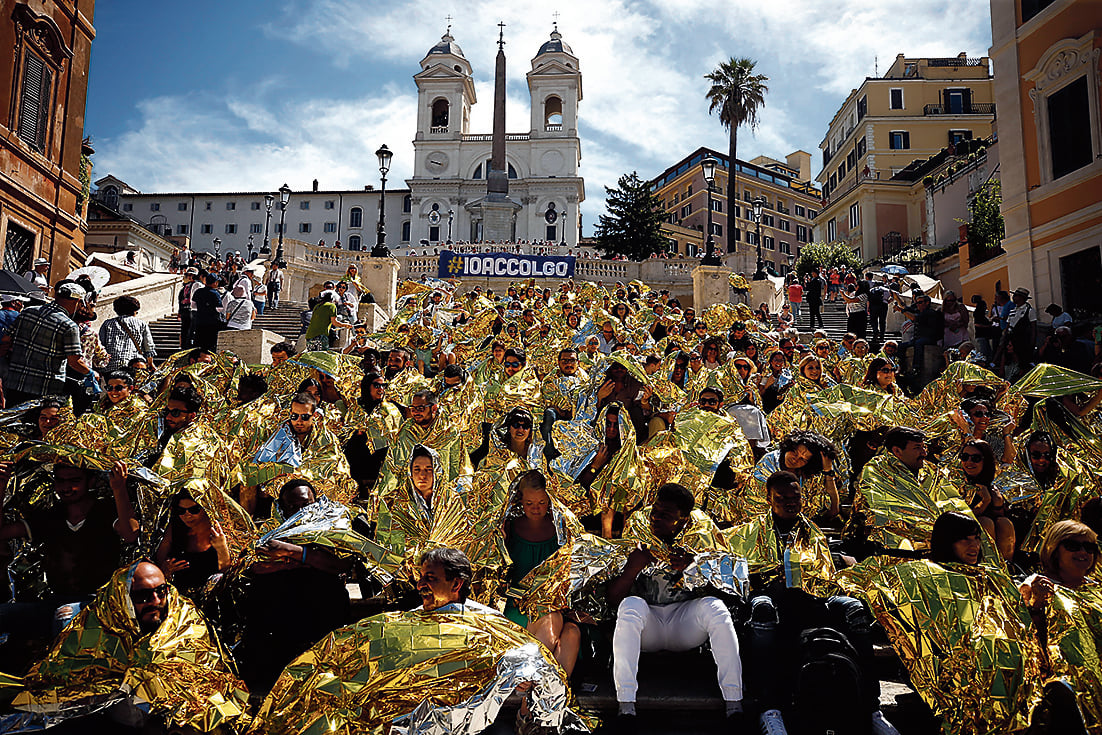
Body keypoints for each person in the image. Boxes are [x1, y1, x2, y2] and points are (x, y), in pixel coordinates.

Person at [731, 471, 899, 735]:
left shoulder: (812, 531)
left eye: (795, 497)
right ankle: (769, 709)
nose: (790, 503)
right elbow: (745, 577)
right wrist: (776, 578)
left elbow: (826, 576)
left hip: (813, 596)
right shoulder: (749, 533)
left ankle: (871, 709)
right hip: (771, 595)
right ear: (768, 498)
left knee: (854, 609)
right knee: (761, 609)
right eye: (781, 497)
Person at [607, 483, 744, 727]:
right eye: (655, 511)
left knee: (716, 608)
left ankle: (734, 705)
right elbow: (613, 600)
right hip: (648, 624)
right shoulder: (637, 528)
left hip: (685, 624)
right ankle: (626, 708)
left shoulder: (702, 533)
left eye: (666, 515)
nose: (656, 518)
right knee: (630, 606)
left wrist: (696, 566)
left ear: (683, 520)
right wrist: (632, 570)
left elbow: (730, 592)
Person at [4, 282, 91, 406]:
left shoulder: (27, 312)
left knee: (12, 422)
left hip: (15, 382)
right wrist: (90, 373)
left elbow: (6, 341)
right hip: (45, 388)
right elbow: (74, 361)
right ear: (76, 302)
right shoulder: (69, 326)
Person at [99, 295, 157, 371]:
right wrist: (150, 364)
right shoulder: (141, 324)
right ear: (134, 311)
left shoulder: (107, 324)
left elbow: (100, 345)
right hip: (134, 365)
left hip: (111, 366)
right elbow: (148, 346)